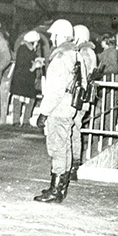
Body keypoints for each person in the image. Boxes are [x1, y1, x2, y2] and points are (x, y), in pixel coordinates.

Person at [34, 19, 78, 203]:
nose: (51, 38)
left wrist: (43, 113)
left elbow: (54, 91)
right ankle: (61, 187)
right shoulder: (74, 55)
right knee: (65, 147)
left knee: (57, 148)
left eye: (53, 35)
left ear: (61, 36)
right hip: (68, 107)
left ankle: (55, 191)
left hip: (58, 109)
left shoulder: (60, 58)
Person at [70, 24, 98, 181]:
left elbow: (82, 76)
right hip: (82, 97)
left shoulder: (85, 53)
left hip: (80, 98)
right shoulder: (88, 51)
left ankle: (74, 165)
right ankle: (73, 164)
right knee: (75, 128)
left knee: (74, 128)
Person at [10, 30, 44, 126]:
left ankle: (17, 121)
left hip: (21, 79)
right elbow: (25, 65)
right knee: (29, 100)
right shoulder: (25, 49)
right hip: (25, 79)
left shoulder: (24, 48)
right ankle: (24, 121)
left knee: (19, 100)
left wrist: (37, 60)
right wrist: (34, 67)